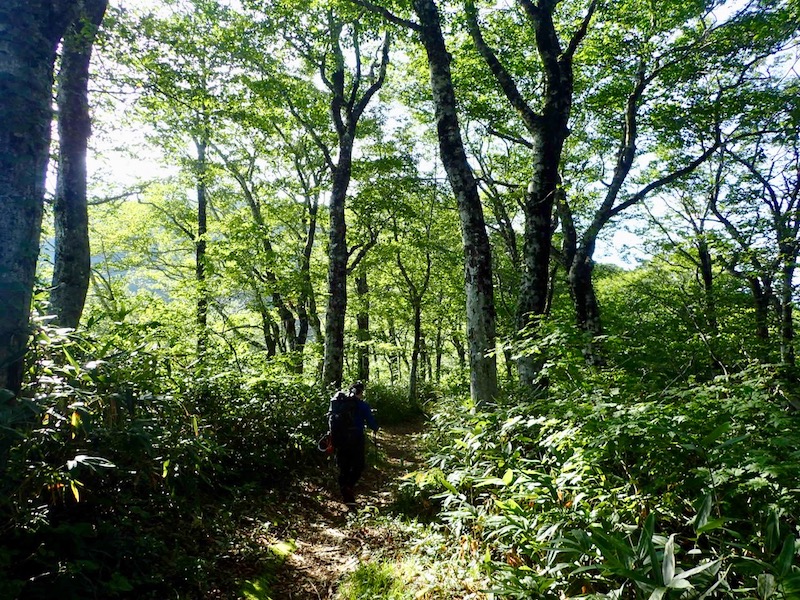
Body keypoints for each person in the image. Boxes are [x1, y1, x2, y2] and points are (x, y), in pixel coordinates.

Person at [333, 381, 378, 505]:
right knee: (358, 465)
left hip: (341, 438)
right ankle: (349, 487)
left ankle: (345, 493)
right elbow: (372, 424)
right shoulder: (363, 405)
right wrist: (375, 427)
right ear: (361, 392)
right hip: (356, 439)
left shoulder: (339, 404)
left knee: (344, 466)